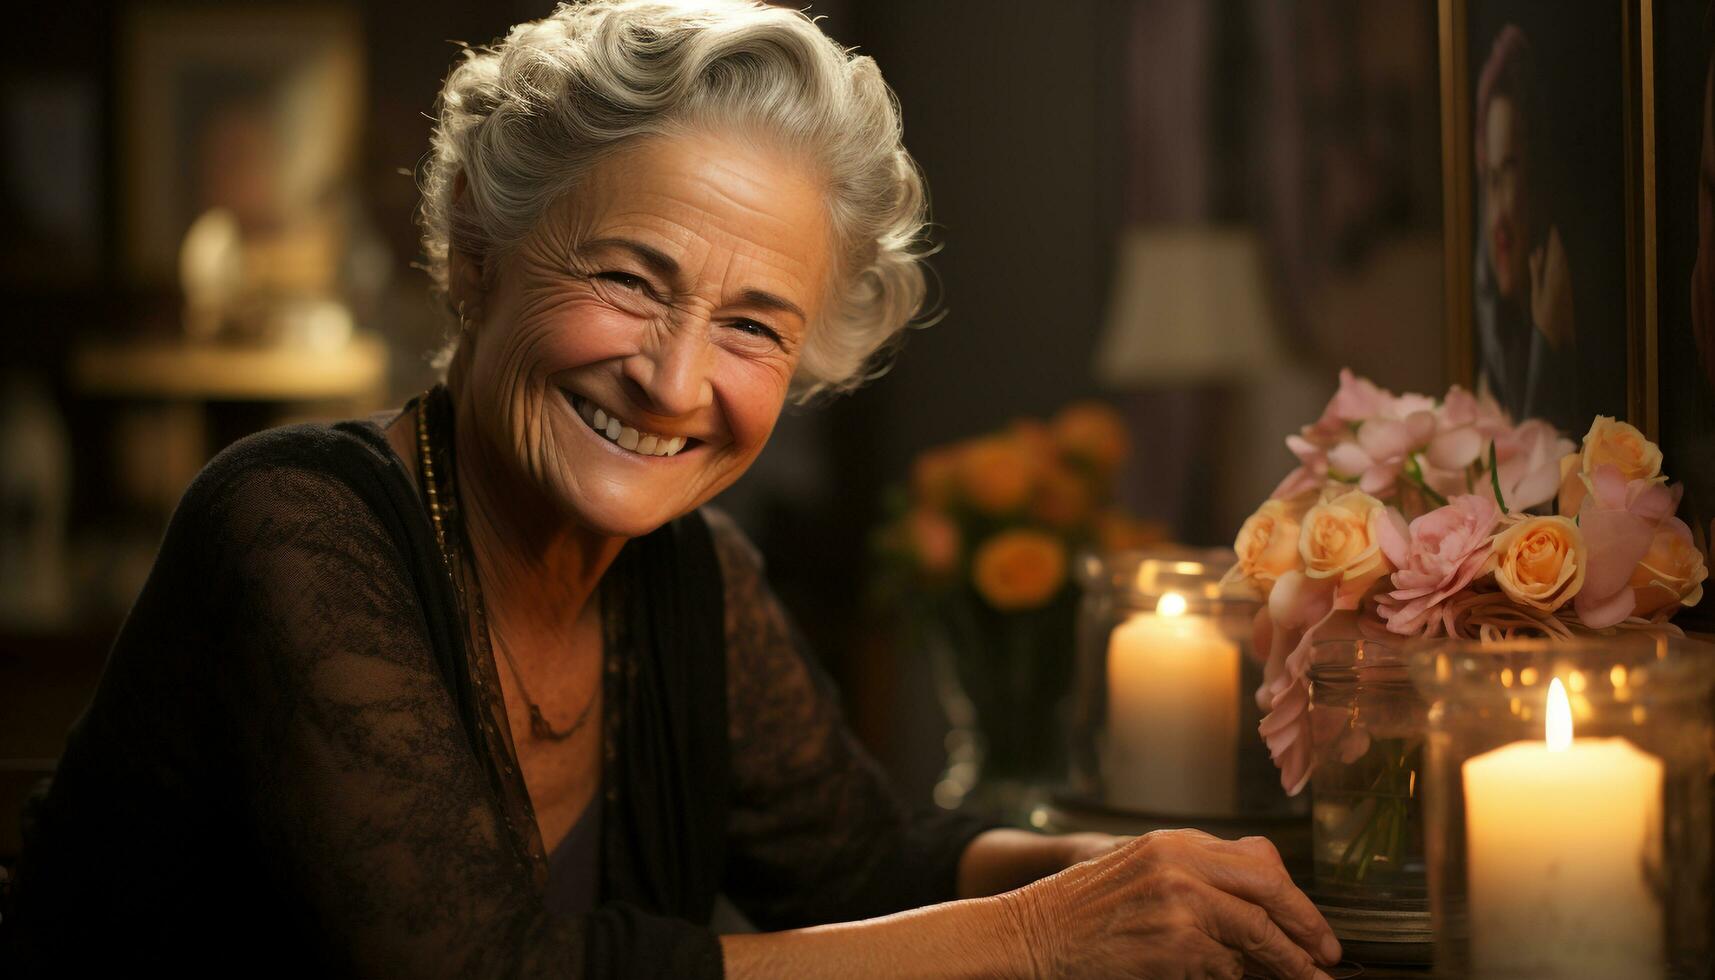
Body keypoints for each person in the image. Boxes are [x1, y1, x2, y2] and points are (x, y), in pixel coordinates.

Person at [4, 2, 1339, 977]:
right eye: (630, 281)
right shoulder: (290, 526)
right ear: (476, 252)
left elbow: (867, 869)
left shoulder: (695, 577)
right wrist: (1046, 937)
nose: (675, 380)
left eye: (755, 326)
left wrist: (1159, 879)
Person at [1472, 24, 1579, 431]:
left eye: (1510, 174)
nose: (1496, 214)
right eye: (1491, 181)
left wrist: (1550, 344)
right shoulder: (1498, 355)